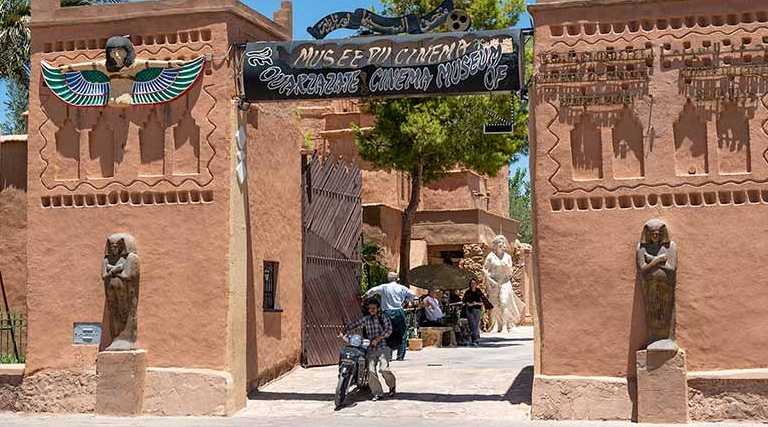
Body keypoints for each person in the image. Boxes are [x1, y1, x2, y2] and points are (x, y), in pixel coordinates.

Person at [343, 298, 396, 401]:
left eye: (373, 308)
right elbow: (354, 324)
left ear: (378, 308)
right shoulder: (366, 318)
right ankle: (378, 393)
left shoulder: (383, 317)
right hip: (371, 349)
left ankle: (392, 386)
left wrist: (378, 338)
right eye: (370, 308)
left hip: (383, 347)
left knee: (384, 369)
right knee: (371, 371)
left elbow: (389, 329)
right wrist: (344, 330)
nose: (371, 310)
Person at [365, 272, 416, 361]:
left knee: (387, 333)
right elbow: (413, 294)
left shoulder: (384, 287)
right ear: (397, 279)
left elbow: (373, 290)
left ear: (388, 279)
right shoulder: (402, 288)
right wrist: (406, 300)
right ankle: (400, 356)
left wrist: (366, 295)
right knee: (402, 333)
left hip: (387, 313)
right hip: (399, 312)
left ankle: (388, 356)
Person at [462, 279, 491, 346]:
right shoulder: (467, 292)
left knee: (475, 325)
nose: (473, 284)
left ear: (476, 284)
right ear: (470, 284)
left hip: (477, 310)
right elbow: (464, 300)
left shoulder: (478, 292)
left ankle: (473, 339)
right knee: (473, 324)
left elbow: (483, 302)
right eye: (472, 283)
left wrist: (476, 303)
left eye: (474, 283)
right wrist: (468, 303)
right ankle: (475, 339)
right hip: (469, 310)